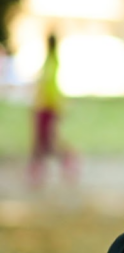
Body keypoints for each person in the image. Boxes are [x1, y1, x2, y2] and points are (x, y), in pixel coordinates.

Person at [29, 33, 76, 187]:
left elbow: (49, 86)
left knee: (46, 140)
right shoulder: (51, 60)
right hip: (46, 106)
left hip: (47, 106)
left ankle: (63, 161)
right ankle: (38, 170)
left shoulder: (52, 61)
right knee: (44, 141)